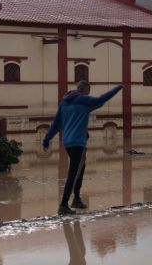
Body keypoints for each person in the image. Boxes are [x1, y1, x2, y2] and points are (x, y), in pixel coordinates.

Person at [43, 81, 123, 215]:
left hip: (67, 142)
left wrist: (47, 139)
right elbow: (101, 99)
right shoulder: (83, 100)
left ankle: (76, 199)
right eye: (88, 92)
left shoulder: (64, 102)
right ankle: (64, 204)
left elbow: (56, 123)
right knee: (74, 172)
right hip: (78, 142)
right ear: (86, 90)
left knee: (80, 167)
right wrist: (117, 88)